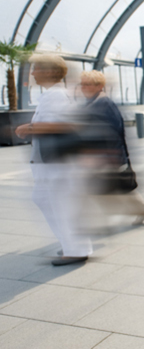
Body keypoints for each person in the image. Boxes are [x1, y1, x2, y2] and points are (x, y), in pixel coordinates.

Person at [15, 54, 92, 266]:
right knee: (49, 201)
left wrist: (27, 128)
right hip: (54, 162)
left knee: (58, 203)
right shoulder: (55, 95)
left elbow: (61, 125)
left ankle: (75, 249)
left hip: (55, 164)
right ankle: (73, 245)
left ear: (49, 71)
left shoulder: (55, 96)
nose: (32, 73)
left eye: (36, 68)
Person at [78, 70, 144, 225]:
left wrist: (108, 156)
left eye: (88, 84)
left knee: (107, 187)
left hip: (106, 156)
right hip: (102, 156)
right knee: (119, 186)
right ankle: (143, 209)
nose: (83, 87)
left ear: (100, 86)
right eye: (82, 84)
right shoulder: (92, 103)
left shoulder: (105, 104)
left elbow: (113, 132)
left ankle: (98, 222)